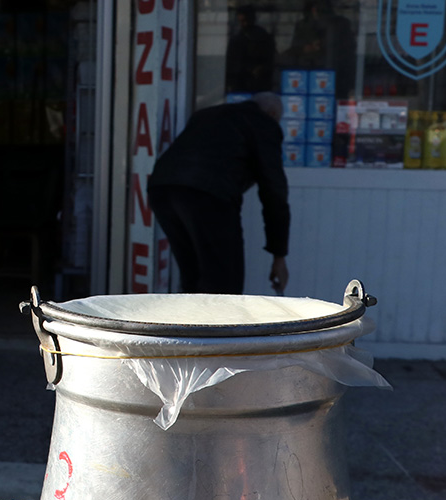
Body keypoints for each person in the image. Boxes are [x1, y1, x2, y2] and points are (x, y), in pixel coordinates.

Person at [149, 92, 290, 295]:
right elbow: (274, 189)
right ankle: (217, 324)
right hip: (206, 195)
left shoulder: (207, 115)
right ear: (273, 112)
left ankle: (188, 323)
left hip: (162, 188)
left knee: (193, 277)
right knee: (224, 285)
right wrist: (279, 255)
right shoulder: (263, 122)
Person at [285, 0, 356, 98]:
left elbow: (347, 49)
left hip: (335, 74)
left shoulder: (340, 24)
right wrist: (305, 49)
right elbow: (294, 49)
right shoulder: (302, 25)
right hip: (306, 76)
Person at [225, 5, 276, 94]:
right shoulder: (237, 38)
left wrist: (260, 69)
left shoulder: (262, 37)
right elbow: (232, 61)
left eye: (245, 21)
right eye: (240, 21)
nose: (243, 24)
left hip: (258, 83)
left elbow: (270, 58)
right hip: (241, 82)